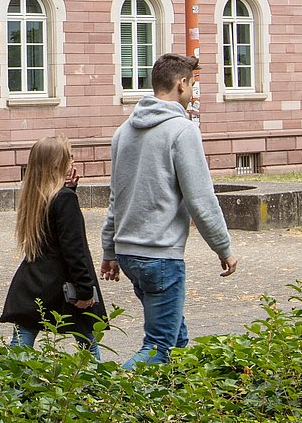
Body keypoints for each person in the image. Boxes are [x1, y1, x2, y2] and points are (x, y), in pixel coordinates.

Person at [100, 53, 239, 370]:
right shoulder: (182, 131)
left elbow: (116, 199)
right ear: (181, 84)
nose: (192, 93)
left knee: (176, 341)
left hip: (129, 254)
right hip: (160, 255)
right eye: (192, 85)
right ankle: (105, 396)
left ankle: (167, 404)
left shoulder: (123, 132)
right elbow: (200, 199)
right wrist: (224, 248)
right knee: (159, 348)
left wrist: (110, 250)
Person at [0, 136, 104, 357]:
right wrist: (85, 289)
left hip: (33, 283)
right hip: (63, 284)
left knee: (22, 341)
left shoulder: (34, 197)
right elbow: (73, 249)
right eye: (70, 157)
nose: (73, 162)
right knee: (88, 343)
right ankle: (98, 387)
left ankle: (8, 386)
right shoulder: (64, 199)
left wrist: (70, 192)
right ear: (59, 163)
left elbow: (52, 232)